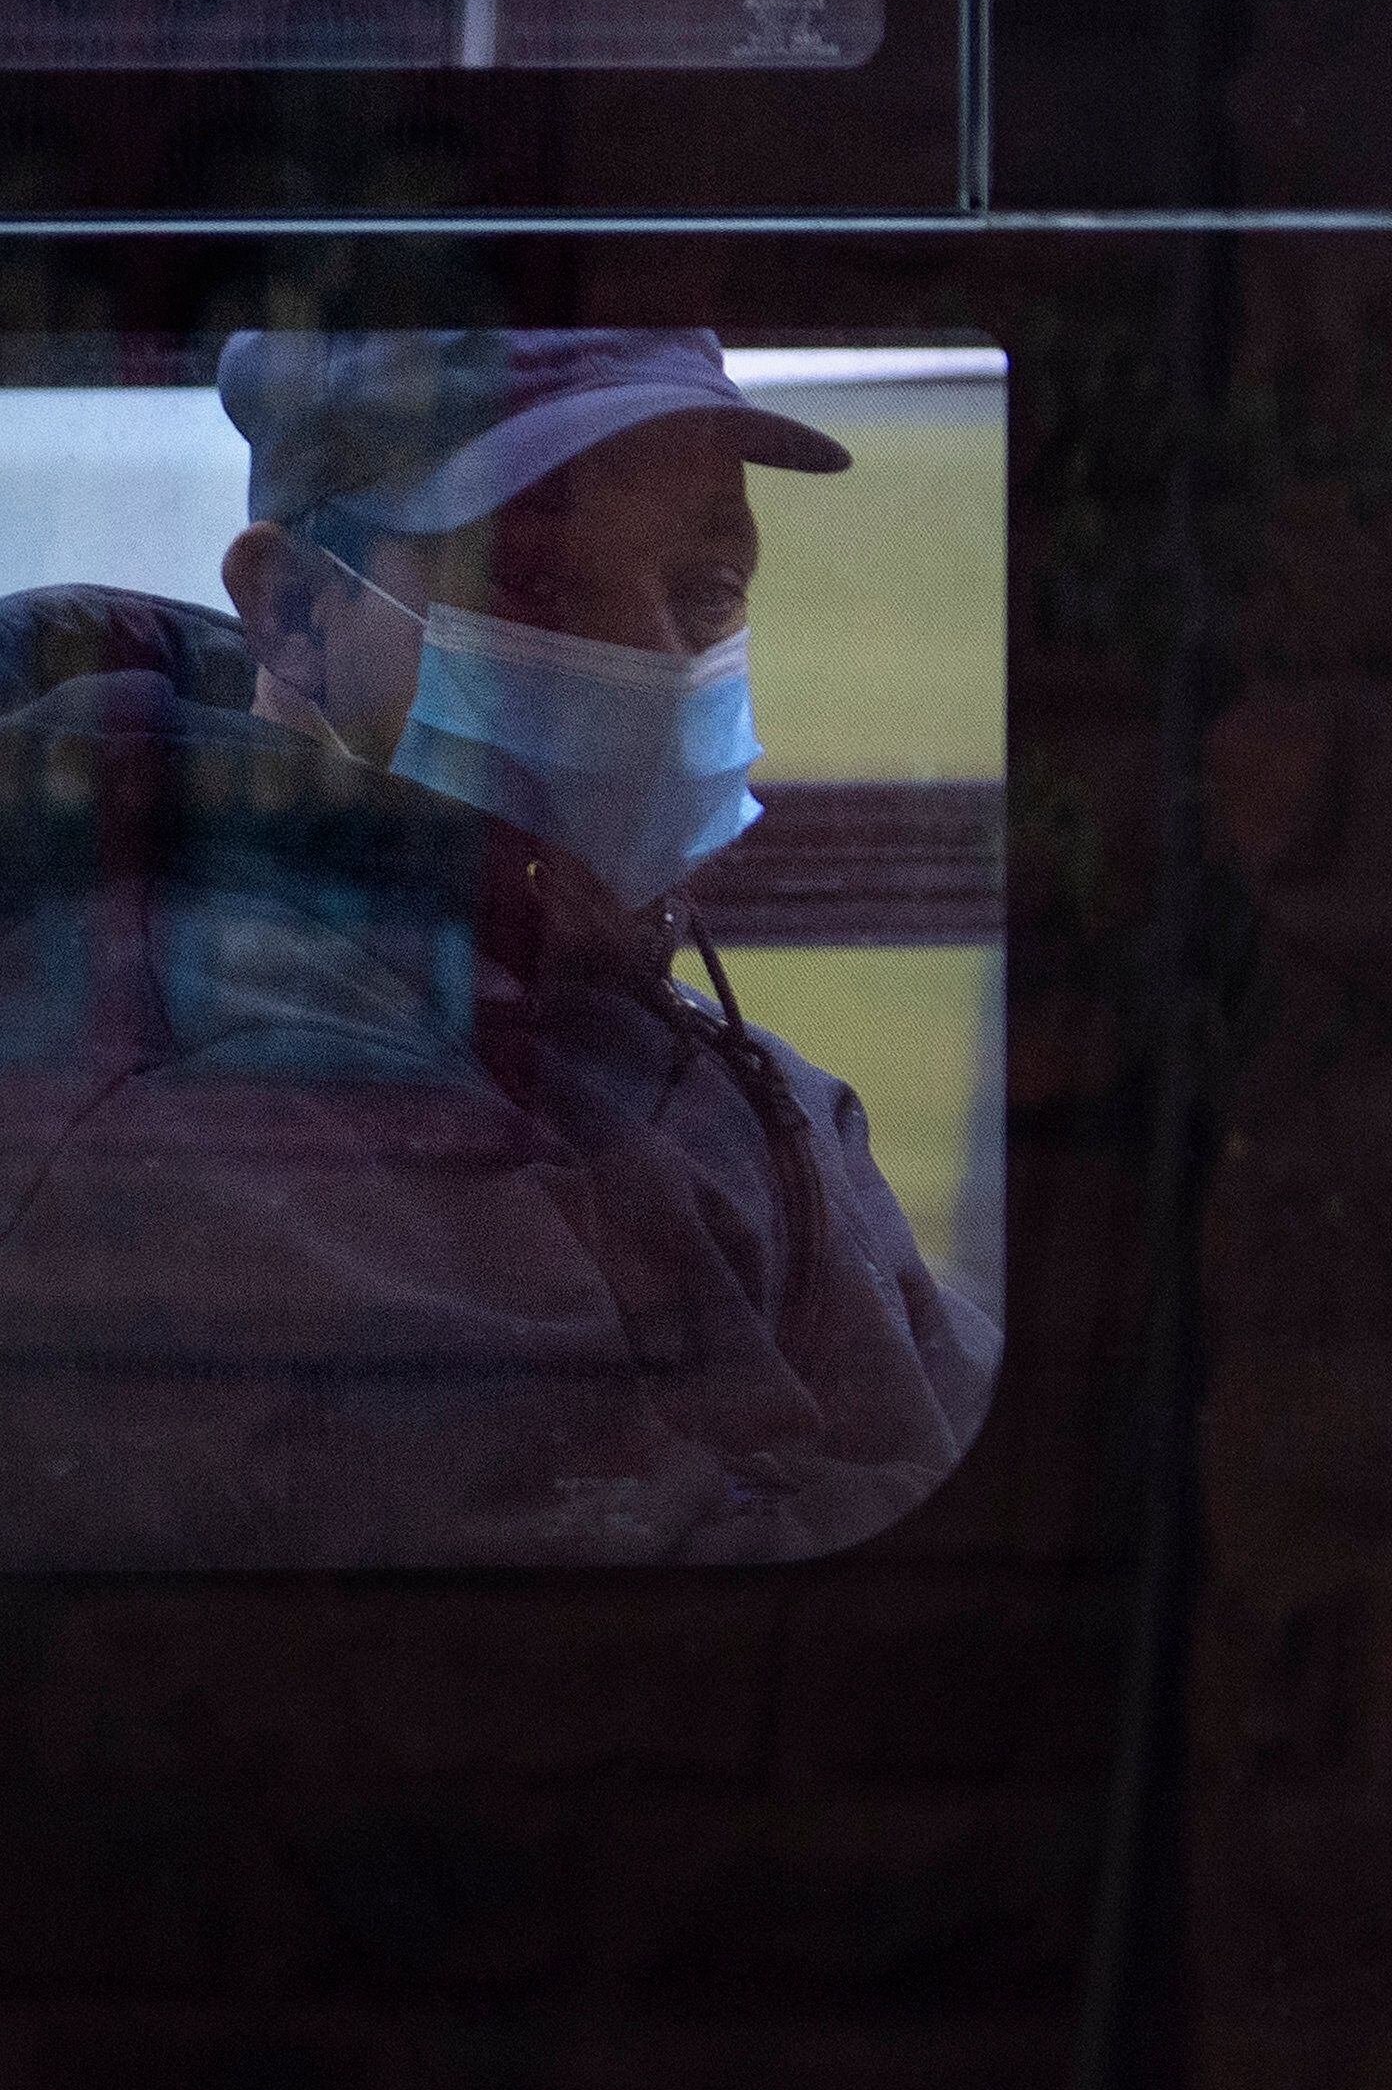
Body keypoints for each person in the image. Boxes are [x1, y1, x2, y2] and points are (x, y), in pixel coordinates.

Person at [0, 329, 997, 1568]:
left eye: (707, 592)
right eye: (539, 584)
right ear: (297, 612)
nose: (655, 665)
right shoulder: (215, 1086)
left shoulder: (713, 1061)